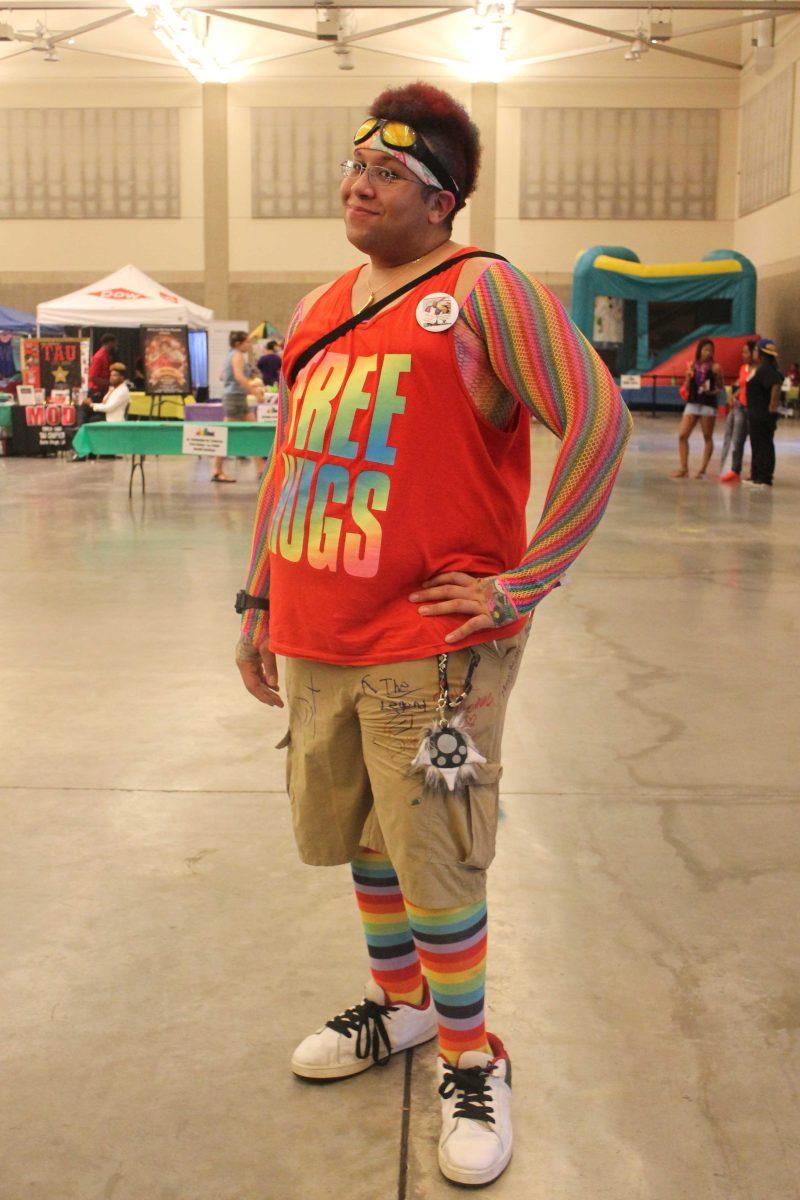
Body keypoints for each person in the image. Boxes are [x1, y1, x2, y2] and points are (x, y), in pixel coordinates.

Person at [234, 83, 632, 1188]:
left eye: (389, 174)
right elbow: (291, 460)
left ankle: (470, 1054)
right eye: (355, 164)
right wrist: (256, 596)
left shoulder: (482, 292)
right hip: (317, 634)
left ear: (442, 200)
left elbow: (599, 425)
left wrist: (520, 584)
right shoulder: (319, 308)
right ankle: (403, 1009)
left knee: (440, 856)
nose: (358, 183)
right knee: (365, 837)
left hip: (430, 647)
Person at [211, 330, 265, 484]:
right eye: (247, 342)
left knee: (254, 432)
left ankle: (262, 468)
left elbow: (223, 375)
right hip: (234, 399)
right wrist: (254, 391)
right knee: (227, 434)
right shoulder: (237, 355)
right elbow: (239, 376)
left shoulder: (231, 354)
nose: (249, 345)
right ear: (238, 344)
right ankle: (217, 470)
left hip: (236, 397)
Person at [672, 338, 724, 479]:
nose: (708, 352)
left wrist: (718, 377)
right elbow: (687, 388)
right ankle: (684, 468)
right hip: (693, 402)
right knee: (683, 435)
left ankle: (702, 469)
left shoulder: (715, 367)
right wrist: (688, 377)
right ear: (699, 350)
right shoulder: (693, 366)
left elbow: (720, 388)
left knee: (707, 436)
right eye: (705, 349)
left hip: (708, 404)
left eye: (710, 350)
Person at [746, 338, 783, 488]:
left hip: (762, 414)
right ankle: (756, 475)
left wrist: (772, 409)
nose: (753, 353)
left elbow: (775, 387)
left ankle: (764, 477)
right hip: (756, 414)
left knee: (764, 444)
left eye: (755, 350)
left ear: (760, 353)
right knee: (757, 443)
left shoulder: (766, 369)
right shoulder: (764, 368)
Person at [719, 339, 756, 483]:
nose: (743, 355)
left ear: (755, 353)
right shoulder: (743, 368)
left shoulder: (759, 370)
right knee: (735, 439)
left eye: (746, 352)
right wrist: (735, 395)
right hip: (739, 406)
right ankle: (733, 469)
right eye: (743, 352)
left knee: (753, 440)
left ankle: (755, 470)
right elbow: (742, 386)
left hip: (752, 408)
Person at [88, 333, 117, 400]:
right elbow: (93, 377)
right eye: (114, 343)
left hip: (103, 391)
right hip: (96, 392)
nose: (116, 345)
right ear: (109, 343)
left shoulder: (107, 355)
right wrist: (109, 382)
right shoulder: (99, 357)